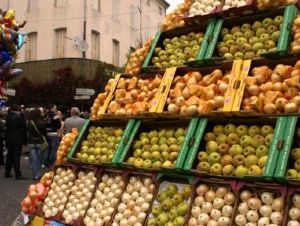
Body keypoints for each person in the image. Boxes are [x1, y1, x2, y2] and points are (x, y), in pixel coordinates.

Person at [4, 104, 27, 179]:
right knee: (16, 157)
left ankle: (7, 172)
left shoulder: (8, 116)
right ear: (18, 109)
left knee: (9, 156)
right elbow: (24, 126)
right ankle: (17, 173)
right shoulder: (19, 117)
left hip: (9, 138)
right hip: (17, 139)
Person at [27, 108, 47, 180]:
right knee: (39, 159)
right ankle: (37, 174)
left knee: (34, 159)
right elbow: (44, 133)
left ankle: (35, 175)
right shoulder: (42, 122)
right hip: (39, 142)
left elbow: (28, 131)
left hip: (31, 142)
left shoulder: (30, 122)